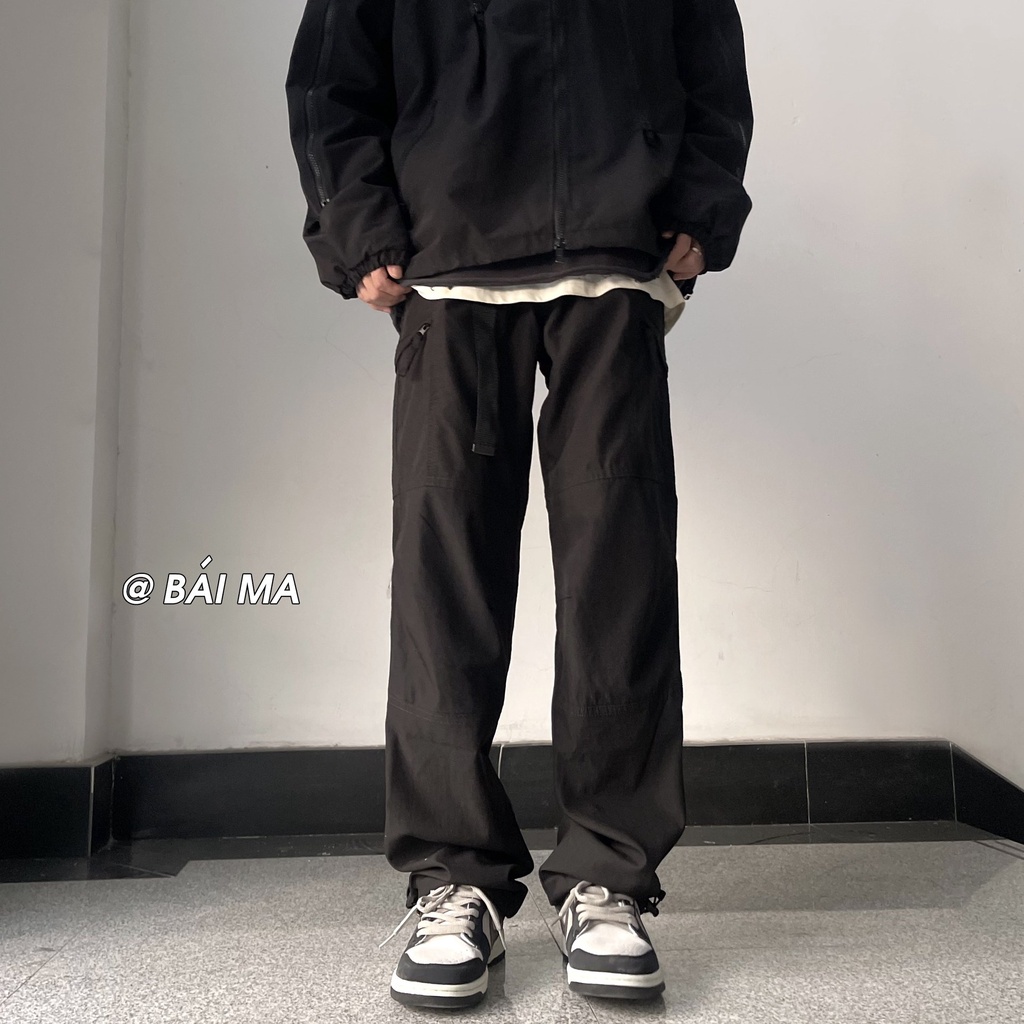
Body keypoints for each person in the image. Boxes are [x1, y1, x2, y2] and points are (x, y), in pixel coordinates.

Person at [285, 0, 753, 1009]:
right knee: (443, 580)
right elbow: (331, 78)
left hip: (615, 255)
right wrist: (358, 227)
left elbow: (710, 61)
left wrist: (702, 207)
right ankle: (451, 877)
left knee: (621, 578)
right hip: (449, 261)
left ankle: (608, 876)